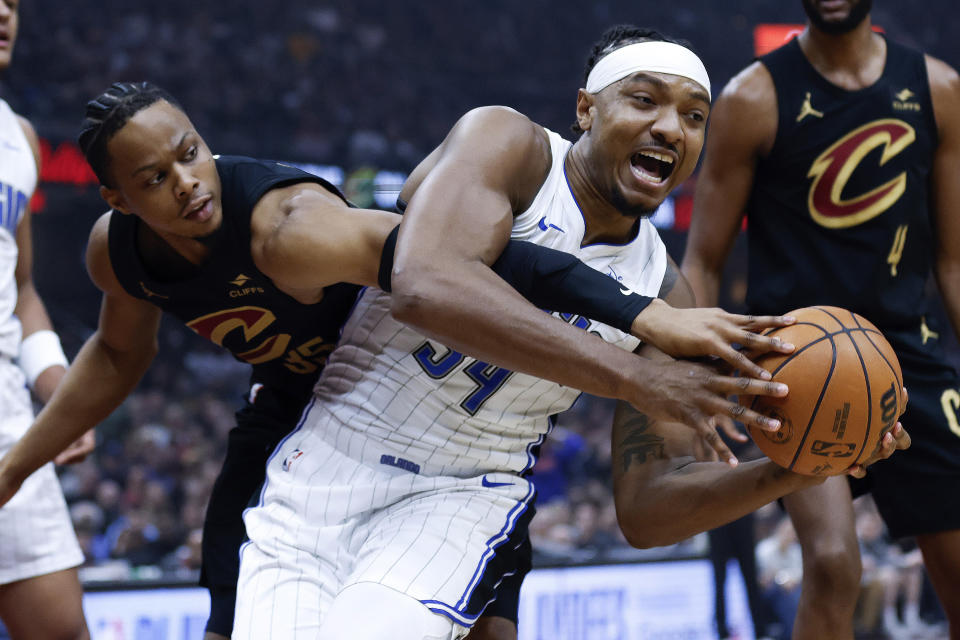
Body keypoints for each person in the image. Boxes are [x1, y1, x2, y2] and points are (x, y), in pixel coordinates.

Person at [0, 81, 796, 639]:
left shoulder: (292, 229)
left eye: (190, 153)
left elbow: (474, 268)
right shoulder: (121, 256)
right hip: (302, 426)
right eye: (153, 178)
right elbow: (114, 353)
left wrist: (643, 314)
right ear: (118, 200)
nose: (186, 183)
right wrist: (15, 467)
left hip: (444, 429)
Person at [232, 24, 905, 640]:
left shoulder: (667, 291)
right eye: (644, 100)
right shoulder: (511, 148)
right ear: (586, 109)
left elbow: (647, 513)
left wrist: (793, 469)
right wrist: (636, 379)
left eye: (694, 118)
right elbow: (424, 285)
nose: (671, 128)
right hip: (324, 461)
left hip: (461, 493)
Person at [682, 0, 960, 637]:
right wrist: (697, 376)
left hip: (912, 359)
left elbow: (953, 263)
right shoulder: (751, 96)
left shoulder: (939, 89)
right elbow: (703, 260)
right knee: (834, 566)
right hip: (798, 363)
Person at [0, 0, 91, 637]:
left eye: (12, 1)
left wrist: (57, 390)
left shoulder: (19, 136)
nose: (4, 12)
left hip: (7, 415)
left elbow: (22, 287)